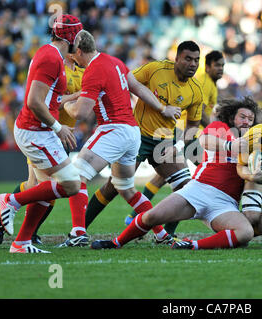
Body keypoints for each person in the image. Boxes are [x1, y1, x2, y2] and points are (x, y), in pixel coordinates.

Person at [60, 30, 180, 247]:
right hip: (132, 132)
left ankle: (78, 232)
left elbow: (80, 113)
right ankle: (161, 233)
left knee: (76, 176)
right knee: (125, 187)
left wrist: (64, 104)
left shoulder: (93, 70)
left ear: (78, 50)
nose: (70, 57)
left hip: (113, 129)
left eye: (71, 53)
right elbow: (139, 88)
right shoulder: (114, 62)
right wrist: (163, 108)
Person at [90, 96, 258, 250]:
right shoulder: (220, 128)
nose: (246, 122)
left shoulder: (255, 143)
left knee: (245, 233)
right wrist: (230, 146)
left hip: (225, 203)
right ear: (231, 118)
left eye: (250, 119)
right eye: (242, 117)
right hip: (199, 190)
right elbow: (204, 140)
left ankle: (191, 245)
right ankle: (116, 243)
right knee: (152, 217)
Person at [84, 40, 204, 240]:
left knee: (186, 188)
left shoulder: (196, 90)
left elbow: (193, 126)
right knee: (113, 187)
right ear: (177, 59)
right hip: (137, 136)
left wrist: (179, 146)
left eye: (196, 60)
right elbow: (125, 82)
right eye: (188, 59)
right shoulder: (156, 69)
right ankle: (79, 229)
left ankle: (166, 235)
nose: (193, 64)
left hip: (165, 142)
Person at [0, 14, 84, 253]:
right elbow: (35, 102)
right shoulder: (51, 59)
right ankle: (11, 201)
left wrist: (70, 101)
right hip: (36, 131)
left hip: (38, 129)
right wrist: (59, 127)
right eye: (79, 34)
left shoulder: (52, 54)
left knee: (47, 189)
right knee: (71, 185)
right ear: (71, 36)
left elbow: (48, 98)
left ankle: (21, 242)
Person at [123, 50, 225, 230]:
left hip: (182, 133)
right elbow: (199, 113)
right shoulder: (202, 82)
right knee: (202, 177)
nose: (220, 69)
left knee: (164, 177)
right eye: (217, 65)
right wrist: (214, 131)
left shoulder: (211, 85)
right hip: (184, 134)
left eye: (223, 66)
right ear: (207, 67)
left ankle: (134, 217)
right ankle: (213, 214)